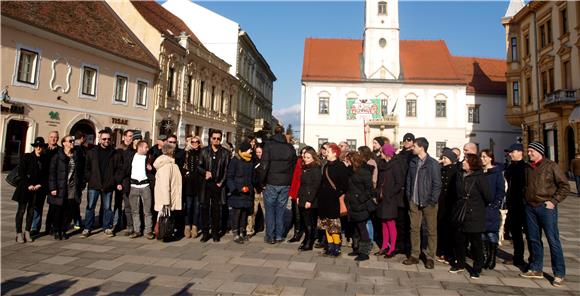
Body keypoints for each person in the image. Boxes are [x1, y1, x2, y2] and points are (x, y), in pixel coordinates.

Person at [520, 142, 569, 287]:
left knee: (553, 240)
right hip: (530, 207)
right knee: (534, 239)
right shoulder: (528, 167)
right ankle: (536, 268)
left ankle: (559, 273)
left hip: (546, 207)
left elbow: (564, 186)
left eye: (531, 151)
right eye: (528, 151)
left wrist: (554, 201)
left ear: (539, 151)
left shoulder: (551, 165)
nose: (528, 153)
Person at [449, 154, 491, 279]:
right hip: (460, 211)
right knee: (459, 240)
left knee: (475, 242)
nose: (463, 162)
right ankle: (460, 263)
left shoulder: (479, 177)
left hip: (475, 213)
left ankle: (477, 267)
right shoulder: (459, 175)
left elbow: (488, 196)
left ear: (472, 163)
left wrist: (475, 204)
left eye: (466, 160)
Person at [403, 137, 442, 269]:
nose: (412, 148)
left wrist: (432, 200)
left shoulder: (433, 163)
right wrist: (409, 196)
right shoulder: (413, 162)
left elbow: (437, 184)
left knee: (431, 230)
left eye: (414, 146)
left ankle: (430, 257)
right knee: (414, 229)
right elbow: (409, 180)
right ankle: (415, 255)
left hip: (429, 202)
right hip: (414, 200)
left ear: (421, 147)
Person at [260, 126, 297, 244]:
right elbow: (294, 165)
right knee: (281, 210)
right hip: (285, 182)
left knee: (270, 210)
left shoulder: (269, 146)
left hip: (271, 181)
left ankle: (270, 236)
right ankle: (280, 235)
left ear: (274, 133)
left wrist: (262, 181)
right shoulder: (290, 147)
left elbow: (264, 165)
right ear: (283, 133)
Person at [81, 130, 120, 238]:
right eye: (104, 139)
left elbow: (118, 169)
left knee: (107, 207)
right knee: (90, 207)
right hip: (94, 184)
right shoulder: (92, 152)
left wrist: (113, 180)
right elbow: (86, 168)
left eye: (108, 139)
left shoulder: (114, 153)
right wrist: (90, 178)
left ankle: (106, 227)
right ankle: (88, 228)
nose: (107, 141)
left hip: (108, 185)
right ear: (100, 139)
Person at [48, 135, 83, 240]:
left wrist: (81, 184)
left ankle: (63, 229)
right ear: (64, 143)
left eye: (73, 141)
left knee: (69, 210)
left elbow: (80, 171)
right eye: (70, 141)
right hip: (60, 187)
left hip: (72, 187)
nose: (72, 142)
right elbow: (52, 173)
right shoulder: (57, 156)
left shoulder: (76, 155)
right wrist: (53, 188)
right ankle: (56, 230)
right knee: (58, 209)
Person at [13, 137, 48, 243]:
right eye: (37, 146)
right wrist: (28, 185)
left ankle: (27, 231)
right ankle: (19, 233)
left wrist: (39, 184)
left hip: (36, 189)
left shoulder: (44, 159)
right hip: (24, 188)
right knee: (21, 210)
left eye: (40, 146)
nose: (38, 148)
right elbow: (21, 173)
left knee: (31, 211)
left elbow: (45, 175)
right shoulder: (27, 157)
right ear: (34, 147)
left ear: (43, 147)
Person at [317, 143, 349, 256]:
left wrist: (336, 193)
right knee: (326, 225)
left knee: (334, 227)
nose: (326, 153)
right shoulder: (326, 166)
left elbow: (345, 185)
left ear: (335, 153)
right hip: (323, 201)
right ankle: (329, 247)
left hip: (334, 201)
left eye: (328, 151)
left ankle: (337, 248)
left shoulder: (341, 166)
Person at [198, 130, 230, 242]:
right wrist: (205, 172)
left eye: (218, 138)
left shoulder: (225, 152)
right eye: (214, 138)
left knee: (216, 210)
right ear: (210, 138)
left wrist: (221, 182)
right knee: (204, 209)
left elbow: (226, 169)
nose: (216, 140)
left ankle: (216, 233)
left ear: (221, 139)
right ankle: (205, 233)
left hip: (218, 185)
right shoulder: (204, 151)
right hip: (206, 184)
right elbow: (199, 166)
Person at [344, 151, 375, 261]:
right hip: (352, 204)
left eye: (347, 160)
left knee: (362, 228)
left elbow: (370, 190)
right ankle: (357, 248)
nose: (346, 162)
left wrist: (359, 199)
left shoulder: (364, 172)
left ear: (352, 160)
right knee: (355, 227)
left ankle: (364, 252)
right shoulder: (350, 171)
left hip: (360, 204)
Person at [375, 144, 405, 258]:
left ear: (387, 153)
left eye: (382, 152)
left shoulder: (395, 165)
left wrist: (389, 193)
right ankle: (384, 246)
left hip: (391, 199)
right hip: (382, 198)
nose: (380, 154)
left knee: (390, 223)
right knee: (383, 223)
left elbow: (399, 183)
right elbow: (379, 181)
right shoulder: (382, 164)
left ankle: (392, 247)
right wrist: (378, 192)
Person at [503, 143, 530, 267]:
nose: (510, 154)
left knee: (530, 234)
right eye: (509, 152)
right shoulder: (510, 166)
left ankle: (532, 260)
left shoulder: (525, 167)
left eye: (512, 151)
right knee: (515, 233)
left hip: (523, 204)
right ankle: (517, 257)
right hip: (512, 203)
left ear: (520, 152)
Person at [124, 140, 155, 239]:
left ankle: (148, 231)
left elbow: (154, 171)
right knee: (135, 210)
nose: (147, 149)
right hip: (133, 186)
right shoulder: (131, 157)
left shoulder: (149, 157)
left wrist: (151, 169)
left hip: (145, 186)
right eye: (146, 147)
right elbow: (125, 170)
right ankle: (137, 230)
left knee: (147, 210)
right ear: (140, 147)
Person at [31, 130, 60, 236]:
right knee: (38, 206)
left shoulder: (60, 151)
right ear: (48, 138)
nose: (53, 139)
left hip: (54, 183)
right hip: (42, 182)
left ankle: (50, 227)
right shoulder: (42, 148)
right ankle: (35, 227)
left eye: (55, 137)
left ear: (58, 138)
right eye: (52, 137)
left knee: (53, 206)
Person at [480, 149, 505, 270]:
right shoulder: (481, 172)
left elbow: (500, 190)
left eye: (484, 157)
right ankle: (485, 257)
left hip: (491, 208)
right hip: (480, 207)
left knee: (491, 233)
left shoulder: (496, 172)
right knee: (482, 234)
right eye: (481, 157)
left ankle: (492, 257)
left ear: (490, 158)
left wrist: (496, 203)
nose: (482, 159)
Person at [227, 141, 255, 243]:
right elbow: (229, 177)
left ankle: (242, 231)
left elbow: (252, 176)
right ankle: (236, 233)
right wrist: (236, 189)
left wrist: (251, 187)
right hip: (237, 192)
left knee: (244, 212)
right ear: (244, 150)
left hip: (247, 191)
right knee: (237, 212)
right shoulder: (235, 160)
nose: (251, 151)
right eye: (249, 149)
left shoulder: (250, 160)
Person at [153, 143, 183, 237]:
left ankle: (163, 232)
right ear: (170, 151)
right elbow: (165, 184)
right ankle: (162, 232)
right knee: (162, 216)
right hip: (166, 197)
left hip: (167, 195)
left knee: (162, 216)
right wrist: (166, 201)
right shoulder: (167, 165)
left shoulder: (167, 163)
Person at [392, 132, 415, 255]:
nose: (407, 141)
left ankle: (410, 245)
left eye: (409, 139)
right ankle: (400, 244)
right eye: (405, 139)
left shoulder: (414, 156)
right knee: (400, 220)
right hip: (400, 193)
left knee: (411, 222)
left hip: (411, 192)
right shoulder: (399, 155)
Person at [436, 148, 459, 264]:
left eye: (445, 158)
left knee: (449, 229)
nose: (443, 160)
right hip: (441, 202)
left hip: (450, 203)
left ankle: (449, 253)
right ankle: (441, 251)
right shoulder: (442, 169)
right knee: (441, 227)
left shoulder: (455, 171)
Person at [297, 148, 321, 251]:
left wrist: (309, 200)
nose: (305, 159)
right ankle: (306, 240)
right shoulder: (305, 168)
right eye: (305, 157)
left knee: (309, 223)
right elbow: (302, 185)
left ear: (313, 158)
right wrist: (298, 196)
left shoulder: (315, 169)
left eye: (308, 157)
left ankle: (309, 243)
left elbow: (315, 186)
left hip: (310, 199)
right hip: (302, 197)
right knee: (305, 222)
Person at [288, 147, 312, 243]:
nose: (303, 156)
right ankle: (297, 233)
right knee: (296, 215)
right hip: (296, 192)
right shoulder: (298, 162)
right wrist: (291, 193)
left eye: (305, 154)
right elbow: (294, 178)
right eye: (302, 153)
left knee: (306, 216)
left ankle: (308, 235)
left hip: (306, 193)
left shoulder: (311, 165)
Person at [113, 129, 134, 236]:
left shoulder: (133, 151)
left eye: (132, 136)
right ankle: (115, 224)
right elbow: (116, 168)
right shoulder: (118, 150)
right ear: (124, 137)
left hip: (128, 181)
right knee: (117, 204)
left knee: (127, 205)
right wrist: (118, 182)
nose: (131, 138)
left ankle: (129, 226)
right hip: (119, 181)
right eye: (129, 136)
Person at [183, 136, 203, 238]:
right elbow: (182, 165)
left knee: (197, 207)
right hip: (189, 184)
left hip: (199, 183)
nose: (195, 143)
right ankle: (187, 226)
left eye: (197, 141)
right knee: (188, 206)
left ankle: (195, 226)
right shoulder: (187, 153)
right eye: (193, 141)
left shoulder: (203, 152)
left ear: (200, 143)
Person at [247, 145, 266, 236]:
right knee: (253, 211)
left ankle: (267, 228)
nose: (258, 154)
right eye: (257, 152)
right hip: (255, 189)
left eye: (260, 152)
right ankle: (250, 229)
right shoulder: (253, 162)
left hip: (264, 190)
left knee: (265, 210)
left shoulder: (266, 162)